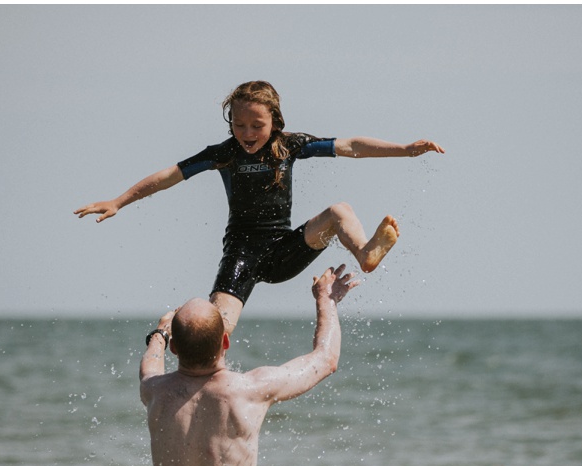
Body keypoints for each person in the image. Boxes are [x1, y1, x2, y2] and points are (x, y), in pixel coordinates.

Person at [75, 80, 444, 334]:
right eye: (239, 124)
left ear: (274, 121)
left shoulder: (290, 145)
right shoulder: (223, 154)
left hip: (284, 251)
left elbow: (352, 146)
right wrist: (119, 201)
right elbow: (170, 175)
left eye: (257, 124)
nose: (248, 133)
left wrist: (405, 149)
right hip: (240, 254)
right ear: (230, 122)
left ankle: (365, 253)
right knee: (216, 324)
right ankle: (204, 372)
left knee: (339, 211)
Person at [139, 263, 359, 466]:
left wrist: (161, 331)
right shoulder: (250, 390)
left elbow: (150, 364)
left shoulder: (155, 392)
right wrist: (327, 300)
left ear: (174, 348)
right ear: (225, 342)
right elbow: (325, 360)